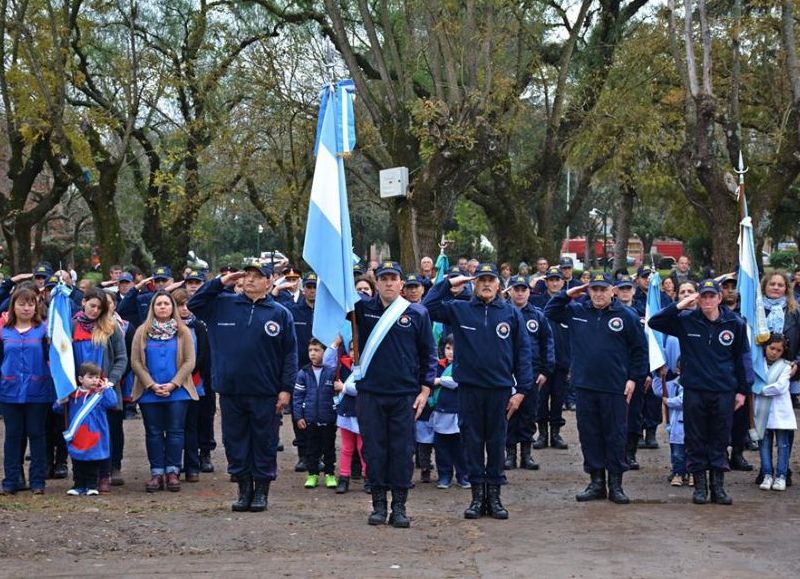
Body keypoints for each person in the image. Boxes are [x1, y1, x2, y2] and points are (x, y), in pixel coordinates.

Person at [424, 263, 533, 520]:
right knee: (472, 442)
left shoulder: (510, 313)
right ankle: (476, 497)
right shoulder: (460, 309)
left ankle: (493, 497)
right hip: (469, 389)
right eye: (480, 279)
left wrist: (522, 391)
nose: (485, 284)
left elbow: (523, 353)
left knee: (496, 443)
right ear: (473, 282)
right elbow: (427, 307)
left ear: (498, 284)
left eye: (490, 280)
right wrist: (450, 283)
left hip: (500, 390)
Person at [189, 263, 297, 513]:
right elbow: (194, 304)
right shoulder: (223, 305)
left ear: (270, 281)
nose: (250, 280)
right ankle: (243, 488)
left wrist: (286, 388)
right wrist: (222, 281)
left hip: (266, 391)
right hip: (231, 389)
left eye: (257, 276)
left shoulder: (279, 313)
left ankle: (261, 490)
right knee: (235, 441)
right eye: (247, 275)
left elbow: (289, 354)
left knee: (264, 441)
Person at [649, 279, 753, 506]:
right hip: (695, 390)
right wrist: (682, 303)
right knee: (695, 438)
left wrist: (743, 391)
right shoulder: (687, 320)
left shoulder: (734, 323)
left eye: (711, 296)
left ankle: (718, 487)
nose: (707, 300)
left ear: (719, 297)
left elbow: (742, 358)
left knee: (719, 437)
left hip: (723, 390)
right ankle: (700, 486)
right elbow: (655, 321)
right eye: (702, 296)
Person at [545, 272, 646, 504]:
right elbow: (550, 311)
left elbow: (639, 351)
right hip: (585, 385)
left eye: (603, 289)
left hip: (615, 387)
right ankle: (596, 482)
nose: (599, 294)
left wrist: (633, 378)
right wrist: (569, 293)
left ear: (613, 291)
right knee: (590, 435)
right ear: (588, 291)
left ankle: (616, 484)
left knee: (615, 435)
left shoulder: (627, 315)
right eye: (594, 289)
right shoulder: (577, 312)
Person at [353, 261, 436, 528]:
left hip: (405, 395)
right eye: (383, 278)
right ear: (376, 283)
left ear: (401, 284)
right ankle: (378, 505)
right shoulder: (361, 310)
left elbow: (428, 354)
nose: (388, 283)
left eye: (393, 278)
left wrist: (425, 390)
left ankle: (399, 506)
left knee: (402, 452)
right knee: (375, 450)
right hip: (371, 394)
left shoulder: (417, 313)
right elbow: (336, 300)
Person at [130, 290, 197, 493]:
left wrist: (173, 384)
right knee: (154, 433)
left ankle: (173, 471)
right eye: (158, 304)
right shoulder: (142, 331)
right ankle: (157, 472)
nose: (162, 307)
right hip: (150, 392)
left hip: (178, 391)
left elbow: (189, 361)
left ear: (172, 307)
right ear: (152, 307)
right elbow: (136, 362)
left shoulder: (183, 331)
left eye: (166, 304)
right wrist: (151, 384)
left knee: (176, 432)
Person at [72, 288, 128, 492]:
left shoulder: (111, 327)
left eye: (100, 308)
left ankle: (107, 472)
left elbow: (122, 358)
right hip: (81, 394)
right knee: (84, 433)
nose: (95, 311)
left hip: (105, 392)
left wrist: (110, 382)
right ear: (83, 302)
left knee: (109, 432)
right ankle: (84, 476)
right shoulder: (72, 326)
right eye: (92, 305)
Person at [1, 287, 52, 495]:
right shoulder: (4, 331)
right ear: (13, 306)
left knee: (36, 434)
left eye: (30, 304)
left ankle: (37, 481)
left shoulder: (44, 331)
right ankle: (11, 480)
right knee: (12, 436)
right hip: (8, 391)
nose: (26, 308)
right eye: (22, 304)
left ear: (36, 306)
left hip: (37, 391)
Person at [506, 275, 554, 470]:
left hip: (532, 373)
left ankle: (526, 454)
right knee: (508, 413)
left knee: (528, 414)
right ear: (509, 291)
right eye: (516, 289)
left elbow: (547, 343)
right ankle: (509, 454)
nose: (519, 293)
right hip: (507, 373)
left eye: (523, 289)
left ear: (529, 291)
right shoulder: (502, 313)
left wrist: (545, 370)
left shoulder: (537, 315)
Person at [58, 363, 118, 496]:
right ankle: (78, 485)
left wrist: (107, 389)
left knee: (93, 461)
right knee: (77, 461)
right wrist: (61, 399)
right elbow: (57, 409)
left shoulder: (100, 395)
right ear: (80, 379)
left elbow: (112, 402)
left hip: (95, 435)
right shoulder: (73, 395)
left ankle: (91, 485)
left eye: (97, 377)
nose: (95, 380)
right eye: (90, 377)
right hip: (78, 434)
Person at [172, 288, 211, 483]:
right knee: (173, 427)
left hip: (194, 382)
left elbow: (203, 353)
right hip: (171, 383)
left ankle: (192, 465)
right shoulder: (168, 328)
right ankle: (173, 465)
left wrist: (189, 371)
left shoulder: (199, 326)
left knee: (192, 426)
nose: (184, 309)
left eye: (187, 304)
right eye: (179, 305)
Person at [293, 338, 338, 489]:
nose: (313, 353)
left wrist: (336, 412)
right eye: (310, 350)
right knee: (311, 449)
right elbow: (298, 396)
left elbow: (338, 395)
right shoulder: (303, 373)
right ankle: (312, 475)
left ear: (325, 352)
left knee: (329, 448)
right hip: (310, 419)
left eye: (317, 350)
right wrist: (299, 416)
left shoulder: (332, 372)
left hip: (328, 419)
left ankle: (330, 474)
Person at [755, 334, 795, 491]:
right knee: (764, 445)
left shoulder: (786, 366)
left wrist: (759, 390)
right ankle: (767, 474)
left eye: (778, 350)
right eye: (771, 348)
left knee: (783, 445)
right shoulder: (757, 365)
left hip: (781, 413)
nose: (774, 353)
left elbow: (780, 387)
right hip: (762, 412)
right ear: (765, 347)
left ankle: (781, 476)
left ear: (783, 351)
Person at [328, 338, 366, 494]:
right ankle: (344, 477)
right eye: (351, 349)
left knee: (363, 447)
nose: (353, 353)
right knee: (346, 448)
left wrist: (344, 387)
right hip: (345, 411)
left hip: (361, 412)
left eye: (357, 350)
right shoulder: (341, 365)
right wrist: (334, 345)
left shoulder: (366, 368)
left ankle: (368, 477)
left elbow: (361, 389)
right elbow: (327, 362)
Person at [431, 335, 468, 489]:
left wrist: (440, 380)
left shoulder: (465, 366)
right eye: (448, 348)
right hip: (441, 411)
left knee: (461, 447)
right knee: (442, 448)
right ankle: (444, 475)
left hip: (458, 411)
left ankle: (464, 476)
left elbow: (458, 381)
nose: (451, 352)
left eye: (454, 348)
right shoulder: (437, 366)